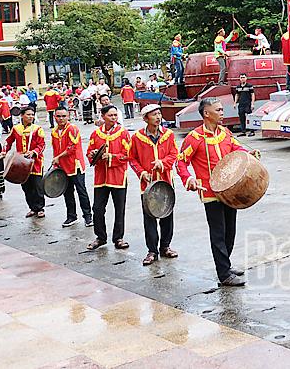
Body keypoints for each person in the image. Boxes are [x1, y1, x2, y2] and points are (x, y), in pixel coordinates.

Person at [176, 97, 253, 286]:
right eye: (218, 110)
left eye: (221, 109)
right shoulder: (194, 138)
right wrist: (189, 179)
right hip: (210, 192)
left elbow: (237, 147)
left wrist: (247, 153)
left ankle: (225, 264)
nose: (222, 112)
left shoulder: (225, 133)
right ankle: (224, 274)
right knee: (218, 233)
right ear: (206, 114)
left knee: (230, 231)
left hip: (230, 190)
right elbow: (180, 162)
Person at [128, 104, 180, 265]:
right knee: (149, 217)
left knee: (167, 215)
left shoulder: (169, 135)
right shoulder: (137, 137)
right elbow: (132, 158)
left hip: (165, 182)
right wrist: (141, 172)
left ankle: (165, 246)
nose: (158, 117)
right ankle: (152, 250)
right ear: (145, 119)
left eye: (159, 114)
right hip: (148, 185)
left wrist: (163, 163)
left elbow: (174, 154)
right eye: (153, 115)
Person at [86, 105, 131, 252]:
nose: (113, 118)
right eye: (110, 115)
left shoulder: (123, 133)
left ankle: (118, 238)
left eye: (115, 115)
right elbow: (89, 152)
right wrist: (93, 155)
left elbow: (128, 154)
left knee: (120, 208)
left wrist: (112, 157)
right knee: (98, 209)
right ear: (103, 116)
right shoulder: (95, 134)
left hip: (118, 176)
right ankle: (101, 237)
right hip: (101, 177)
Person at [50, 107, 92, 227]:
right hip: (62, 166)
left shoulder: (72, 128)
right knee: (67, 192)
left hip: (75, 165)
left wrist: (58, 157)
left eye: (64, 116)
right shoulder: (54, 131)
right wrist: (56, 161)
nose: (61, 119)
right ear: (54, 117)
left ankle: (88, 217)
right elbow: (55, 148)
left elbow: (72, 147)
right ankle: (71, 217)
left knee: (81, 191)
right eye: (58, 116)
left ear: (68, 116)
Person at [5, 106, 46, 218]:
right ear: (22, 115)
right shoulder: (16, 128)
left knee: (37, 186)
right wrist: (4, 151)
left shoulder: (38, 129)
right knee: (26, 187)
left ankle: (40, 208)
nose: (31, 117)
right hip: (21, 163)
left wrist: (34, 152)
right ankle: (32, 208)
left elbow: (42, 145)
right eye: (28, 114)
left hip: (36, 162)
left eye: (32, 114)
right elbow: (8, 141)